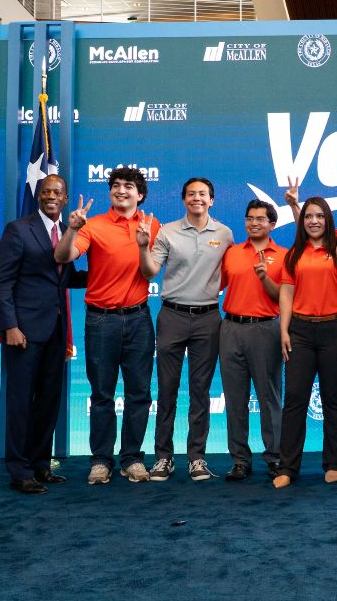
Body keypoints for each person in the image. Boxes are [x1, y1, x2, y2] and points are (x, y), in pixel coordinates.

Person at [54, 167, 159, 485]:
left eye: (129, 186)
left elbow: (151, 273)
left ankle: (132, 459)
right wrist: (71, 229)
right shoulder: (93, 224)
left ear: (140, 194)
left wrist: (143, 245)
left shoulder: (152, 226)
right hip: (101, 320)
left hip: (139, 319)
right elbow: (62, 255)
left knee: (139, 394)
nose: (121, 190)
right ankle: (101, 460)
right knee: (101, 394)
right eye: (115, 186)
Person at [0, 174, 86, 495]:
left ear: (65, 198)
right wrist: (10, 326)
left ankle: (41, 465)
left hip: (57, 332)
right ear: (38, 196)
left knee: (49, 401)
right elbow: (2, 282)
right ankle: (19, 470)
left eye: (57, 192)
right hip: (24, 332)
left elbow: (66, 277)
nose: (51, 196)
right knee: (20, 403)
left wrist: (112, 271)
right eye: (46, 191)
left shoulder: (66, 234)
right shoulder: (18, 230)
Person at [137, 178, 234, 481]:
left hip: (208, 318)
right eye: (191, 194)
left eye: (202, 194)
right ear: (183, 200)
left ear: (212, 200)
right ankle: (163, 457)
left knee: (200, 391)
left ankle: (197, 458)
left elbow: (230, 272)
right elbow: (150, 270)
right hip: (172, 316)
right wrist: (142, 247)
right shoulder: (168, 231)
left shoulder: (224, 233)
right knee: (167, 390)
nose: (197, 198)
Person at [272, 197, 337, 488]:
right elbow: (285, 293)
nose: (313, 221)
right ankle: (287, 467)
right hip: (299, 331)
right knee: (295, 399)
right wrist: (284, 331)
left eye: (319, 216)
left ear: (327, 219)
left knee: (333, 399)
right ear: (302, 220)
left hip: (335, 329)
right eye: (308, 216)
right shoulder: (294, 254)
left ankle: (334, 463)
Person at [218, 200, 286, 481]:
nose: (254, 223)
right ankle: (240, 460)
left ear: (272, 224)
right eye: (249, 218)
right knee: (235, 399)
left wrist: (264, 278)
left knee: (269, 397)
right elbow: (215, 285)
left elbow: (284, 297)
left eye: (261, 219)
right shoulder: (231, 253)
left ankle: (275, 458)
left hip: (266, 329)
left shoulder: (283, 255)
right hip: (232, 328)